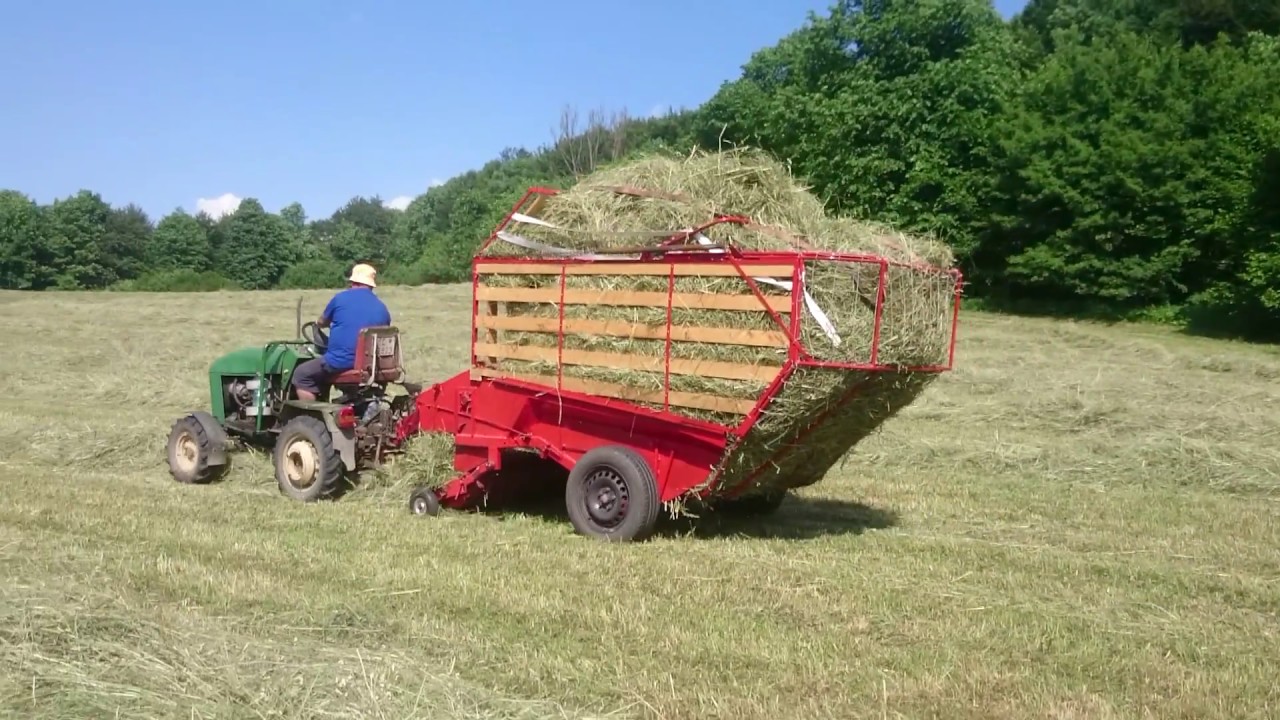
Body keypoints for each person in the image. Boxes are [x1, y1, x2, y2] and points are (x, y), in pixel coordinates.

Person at [291, 263, 392, 401]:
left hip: (342, 361)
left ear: (353, 282)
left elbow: (322, 322)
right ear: (371, 285)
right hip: (370, 363)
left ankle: (310, 413)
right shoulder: (382, 307)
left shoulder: (340, 298)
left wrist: (318, 324)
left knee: (301, 374)